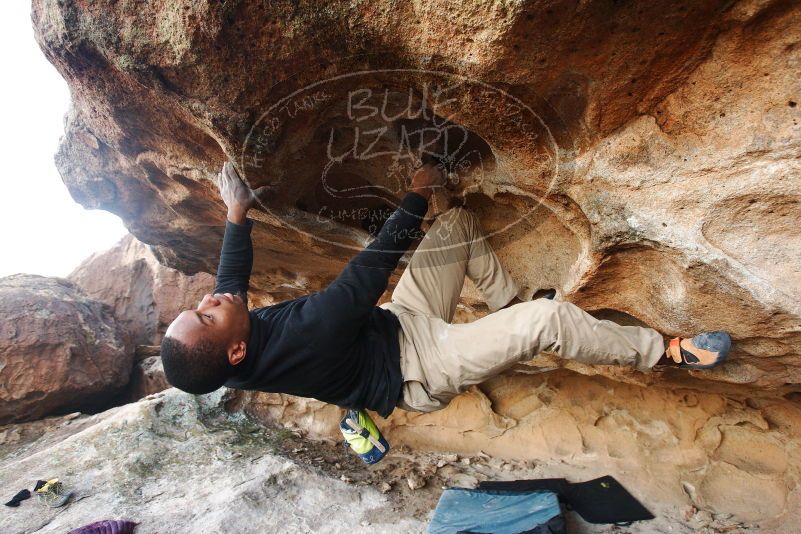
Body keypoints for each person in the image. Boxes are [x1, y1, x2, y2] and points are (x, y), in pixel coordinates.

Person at [161, 161, 731, 417]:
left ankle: (506, 303)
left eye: (199, 306)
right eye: (207, 316)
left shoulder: (223, 355)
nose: (210, 300)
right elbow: (369, 270)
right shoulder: (306, 335)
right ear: (235, 352)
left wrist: (236, 214)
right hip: (419, 370)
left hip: (396, 324)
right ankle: (665, 352)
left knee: (456, 226)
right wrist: (416, 194)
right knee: (549, 321)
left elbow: (231, 284)